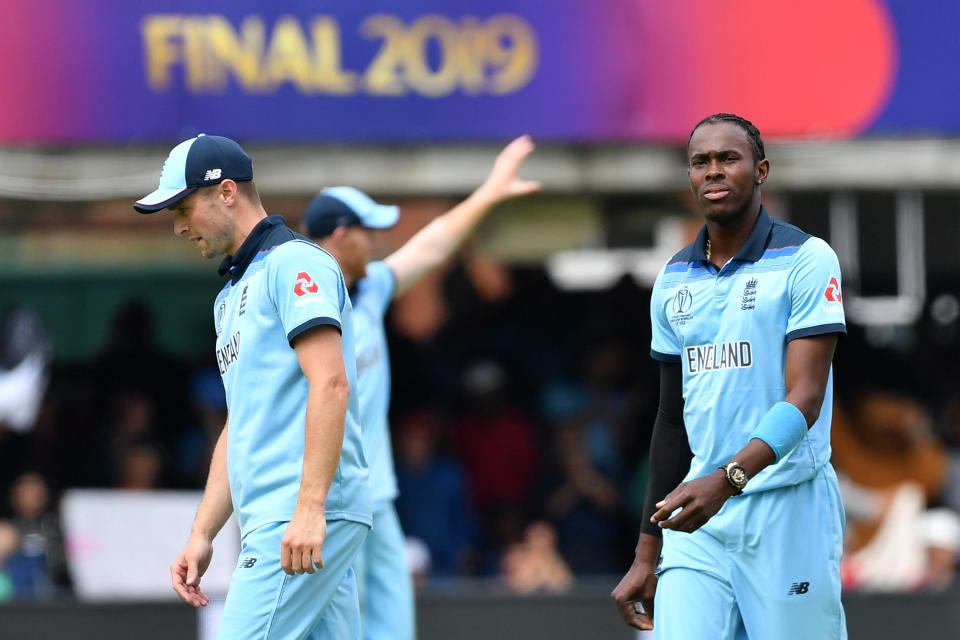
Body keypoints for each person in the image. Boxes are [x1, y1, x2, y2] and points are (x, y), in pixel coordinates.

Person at [611, 113, 848, 639]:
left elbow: (805, 399)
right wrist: (647, 551)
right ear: (690, 178)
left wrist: (730, 479)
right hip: (700, 522)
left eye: (728, 158)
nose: (713, 171)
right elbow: (673, 421)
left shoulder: (807, 260)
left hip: (787, 507)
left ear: (761, 170)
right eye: (701, 162)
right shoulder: (672, 279)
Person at [134, 134, 372, 639]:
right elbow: (240, 422)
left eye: (183, 208)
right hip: (283, 516)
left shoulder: (295, 263)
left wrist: (309, 508)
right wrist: (203, 532)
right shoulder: (230, 296)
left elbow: (331, 384)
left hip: (299, 514)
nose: (178, 227)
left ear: (225, 192)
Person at [302, 135, 539, 640]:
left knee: (391, 625)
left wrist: (490, 192)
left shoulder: (370, 291)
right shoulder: (301, 308)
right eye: (370, 233)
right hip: (330, 503)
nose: (379, 243)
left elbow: (432, 245)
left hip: (377, 496)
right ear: (341, 237)